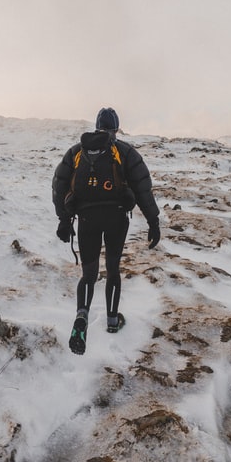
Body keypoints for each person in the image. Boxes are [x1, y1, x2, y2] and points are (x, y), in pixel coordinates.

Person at [52, 107, 160, 355]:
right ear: (116, 128)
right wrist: (153, 222)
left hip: (87, 218)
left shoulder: (77, 151)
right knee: (113, 269)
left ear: (97, 126)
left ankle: (82, 316)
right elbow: (143, 187)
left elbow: (59, 186)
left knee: (89, 274)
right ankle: (112, 321)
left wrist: (64, 220)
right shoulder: (124, 151)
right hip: (116, 218)